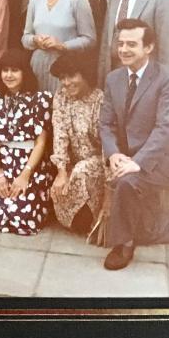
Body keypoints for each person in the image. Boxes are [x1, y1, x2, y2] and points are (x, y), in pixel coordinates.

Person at [99, 19, 169, 270]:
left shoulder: (167, 79)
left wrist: (136, 164)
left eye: (132, 44)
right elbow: (105, 124)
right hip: (127, 157)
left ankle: (125, 243)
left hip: (161, 161)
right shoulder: (113, 79)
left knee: (126, 183)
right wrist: (114, 154)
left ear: (148, 47)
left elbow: (165, 128)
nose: (124, 49)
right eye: (120, 44)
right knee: (112, 179)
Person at [0, 48, 54, 236]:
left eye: (15, 70)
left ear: (24, 72)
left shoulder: (41, 100)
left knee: (22, 219)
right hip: (2, 162)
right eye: (5, 70)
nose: (9, 75)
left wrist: (25, 175)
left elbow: (40, 142)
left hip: (31, 164)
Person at [22, 0, 96, 93]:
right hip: (37, 66)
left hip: (64, 69)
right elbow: (25, 37)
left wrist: (62, 45)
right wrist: (35, 40)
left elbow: (90, 39)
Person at [48, 52, 106, 235]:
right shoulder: (61, 96)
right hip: (71, 164)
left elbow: (107, 144)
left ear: (85, 74)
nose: (66, 83)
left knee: (81, 170)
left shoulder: (100, 100)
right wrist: (62, 170)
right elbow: (60, 134)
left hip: (98, 163)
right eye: (62, 78)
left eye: (72, 76)